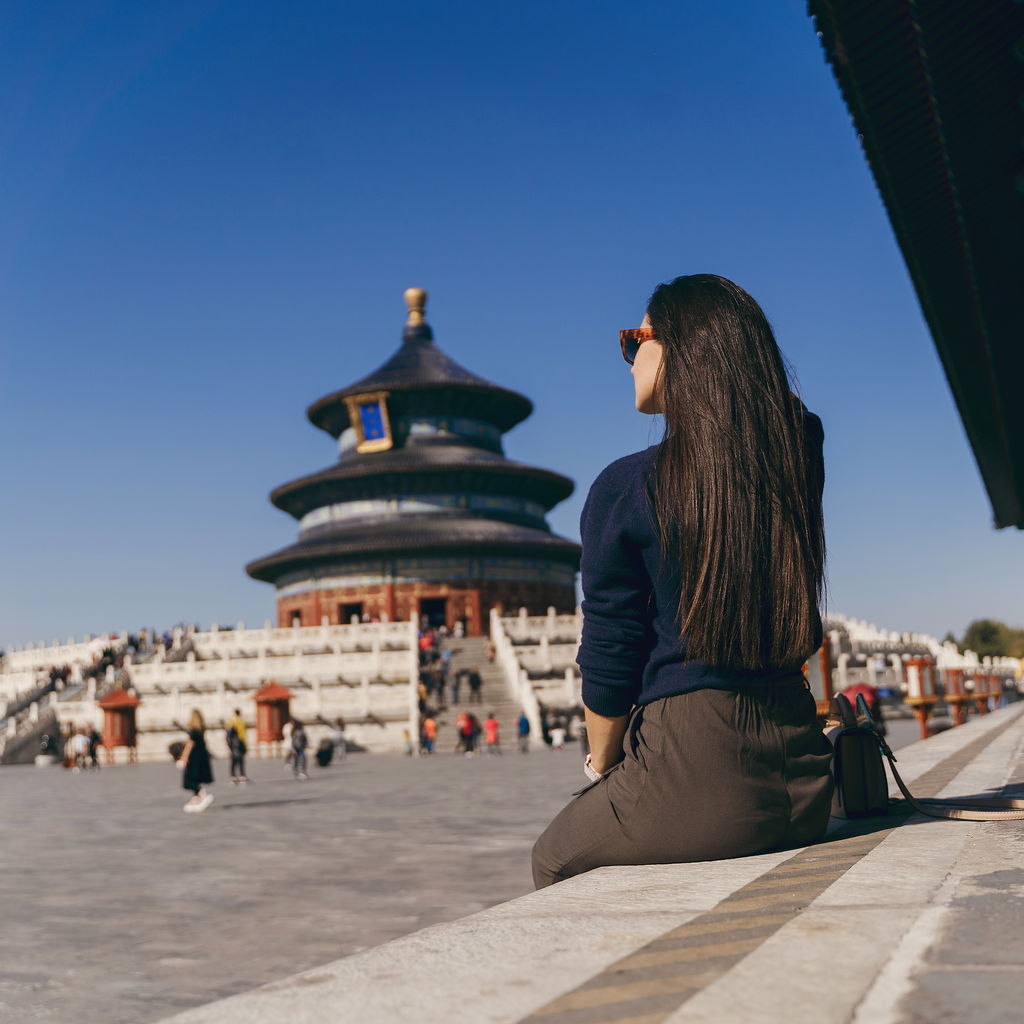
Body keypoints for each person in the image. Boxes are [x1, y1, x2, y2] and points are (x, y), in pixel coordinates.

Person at [531, 274, 833, 889]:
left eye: (633, 340)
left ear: (680, 347)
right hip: (803, 771)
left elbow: (612, 655)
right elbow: (786, 420)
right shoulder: (797, 456)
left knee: (555, 858)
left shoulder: (627, 486)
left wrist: (602, 766)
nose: (627, 358)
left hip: (698, 765)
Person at [178, 709, 214, 812]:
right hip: (202, 757)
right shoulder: (201, 730)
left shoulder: (193, 731)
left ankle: (202, 793)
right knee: (196, 778)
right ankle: (196, 798)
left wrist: (184, 758)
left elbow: (189, 745)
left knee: (189, 779)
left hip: (193, 758)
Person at [226, 708, 249, 783]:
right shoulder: (242, 721)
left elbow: (228, 734)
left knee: (233, 761)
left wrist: (229, 745)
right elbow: (243, 734)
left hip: (234, 744)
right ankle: (242, 775)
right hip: (241, 743)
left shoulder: (231, 722)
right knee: (241, 760)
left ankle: (233, 776)